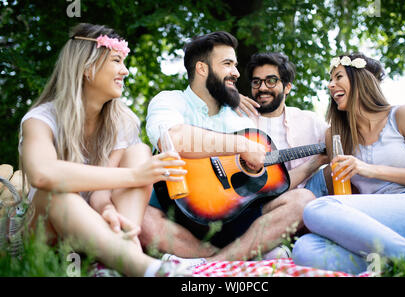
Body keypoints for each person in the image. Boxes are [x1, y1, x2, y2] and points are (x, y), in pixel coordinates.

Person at [19, 23, 190, 277]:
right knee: (57, 194)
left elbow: (100, 195)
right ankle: (143, 267)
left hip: (101, 229)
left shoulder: (122, 121)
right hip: (49, 234)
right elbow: (43, 174)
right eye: (117, 60)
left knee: (138, 151)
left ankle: (120, 255)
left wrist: (108, 210)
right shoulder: (40, 120)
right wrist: (137, 176)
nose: (126, 70)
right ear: (88, 68)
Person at [141, 31, 315, 264]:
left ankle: (216, 262)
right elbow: (173, 139)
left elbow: (261, 182)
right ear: (202, 69)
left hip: (234, 218)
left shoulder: (237, 118)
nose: (236, 72)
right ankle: (233, 256)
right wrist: (241, 145)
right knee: (141, 218)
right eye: (227, 64)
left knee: (303, 200)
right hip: (178, 217)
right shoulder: (169, 101)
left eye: (235, 64)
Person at [291, 53, 405, 276]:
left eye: (338, 76)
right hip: (381, 230)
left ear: (360, 79)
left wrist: (368, 169)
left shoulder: (401, 115)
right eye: (330, 79)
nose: (330, 85)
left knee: (318, 208)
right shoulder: (336, 136)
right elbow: (338, 194)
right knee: (305, 249)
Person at [245, 52, 329, 194]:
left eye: (271, 81)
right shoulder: (239, 121)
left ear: (287, 87)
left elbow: (339, 140)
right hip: (254, 201)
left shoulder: (310, 121)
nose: (262, 88)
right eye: (256, 82)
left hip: (306, 195)